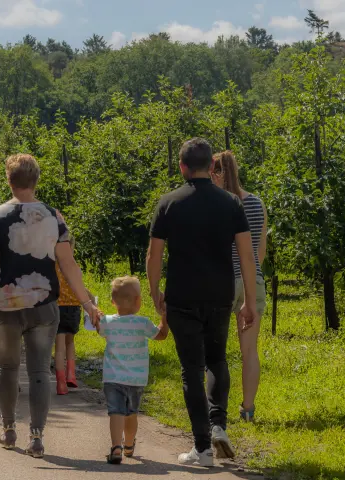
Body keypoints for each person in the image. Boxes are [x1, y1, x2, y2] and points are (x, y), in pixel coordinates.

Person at [0, 153, 102, 458]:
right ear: (36, 180)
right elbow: (68, 263)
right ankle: (36, 437)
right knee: (40, 372)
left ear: (9, 180)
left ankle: (8, 430)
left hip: (6, 305)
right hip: (45, 304)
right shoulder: (54, 216)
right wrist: (86, 303)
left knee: (7, 367)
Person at [146, 138, 259, 466]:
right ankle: (219, 425)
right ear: (212, 167)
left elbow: (155, 254)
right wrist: (249, 302)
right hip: (220, 296)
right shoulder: (231, 204)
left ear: (181, 167)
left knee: (191, 369)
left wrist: (155, 292)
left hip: (182, 297)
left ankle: (203, 448)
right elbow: (247, 256)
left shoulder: (168, 203)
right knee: (217, 360)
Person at [212, 151, 268, 423]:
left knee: (215, 350)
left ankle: (215, 408)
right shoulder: (257, 203)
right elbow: (260, 252)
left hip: (222, 280)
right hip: (252, 280)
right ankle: (248, 409)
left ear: (216, 173)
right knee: (249, 351)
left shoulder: (217, 204)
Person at [100, 276, 169, 465]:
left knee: (116, 412)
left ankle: (116, 447)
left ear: (113, 302)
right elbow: (162, 335)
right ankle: (129, 445)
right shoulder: (143, 323)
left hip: (113, 378)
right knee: (131, 413)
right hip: (136, 379)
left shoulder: (107, 322)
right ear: (138, 301)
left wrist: (94, 311)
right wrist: (164, 316)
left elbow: (98, 327)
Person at [53, 235, 94, 395]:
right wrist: (91, 303)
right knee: (70, 343)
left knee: (59, 348)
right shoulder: (74, 267)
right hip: (74, 308)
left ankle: (61, 384)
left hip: (57, 309)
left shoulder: (53, 267)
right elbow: (81, 288)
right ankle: (71, 375)